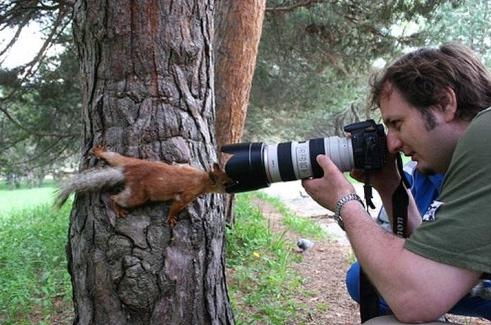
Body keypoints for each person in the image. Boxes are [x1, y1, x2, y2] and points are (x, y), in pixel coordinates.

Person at [302, 43, 491, 323]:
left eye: (397, 124)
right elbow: (435, 258)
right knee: (366, 279)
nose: (392, 143)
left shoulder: (484, 136)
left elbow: (414, 298)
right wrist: (391, 187)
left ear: (444, 103)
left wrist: (346, 202)